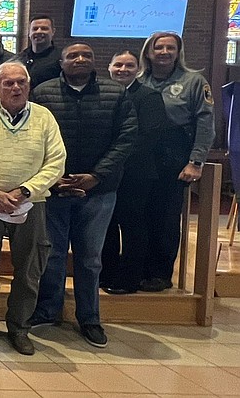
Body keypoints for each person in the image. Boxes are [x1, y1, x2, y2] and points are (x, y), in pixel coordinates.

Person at [30, 43, 137, 348]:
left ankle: (89, 317)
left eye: (86, 56)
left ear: (94, 62)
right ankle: (47, 310)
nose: (80, 59)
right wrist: (51, 177)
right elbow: (33, 137)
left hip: (98, 191)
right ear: (61, 63)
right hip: (54, 189)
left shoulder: (116, 94)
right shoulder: (43, 93)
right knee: (52, 254)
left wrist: (96, 176)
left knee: (90, 259)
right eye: (73, 56)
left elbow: (125, 139)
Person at [0, 61, 66, 356]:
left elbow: (57, 160)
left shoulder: (44, 117)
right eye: (8, 83)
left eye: (21, 82)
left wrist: (25, 190)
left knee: (30, 267)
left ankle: (19, 327)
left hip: (31, 202)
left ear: (29, 85)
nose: (16, 87)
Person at [137, 31, 214, 292]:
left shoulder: (194, 81)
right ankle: (139, 270)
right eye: (159, 47)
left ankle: (160, 274)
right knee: (140, 216)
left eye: (171, 48)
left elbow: (205, 123)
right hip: (143, 155)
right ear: (149, 52)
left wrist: (196, 161)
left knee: (166, 218)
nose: (165, 52)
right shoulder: (139, 80)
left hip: (175, 155)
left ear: (178, 53)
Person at [100, 51, 169, 295]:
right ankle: (106, 273)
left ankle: (129, 278)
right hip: (106, 172)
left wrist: (114, 158)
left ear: (138, 69)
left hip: (136, 173)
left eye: (129, 65)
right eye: (118, 64)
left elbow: (148, 136)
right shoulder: (103, 94)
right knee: (106, 225)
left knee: (132, 226)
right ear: (109, 67)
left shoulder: (149, 96)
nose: (123, 69)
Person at [16, 15, 61, 88]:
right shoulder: (19, 58)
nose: (39, 31)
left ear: (53, 32)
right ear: (29, 33)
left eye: (44, 28)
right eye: (35, 29)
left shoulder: (61, 59)